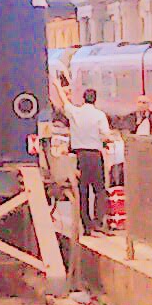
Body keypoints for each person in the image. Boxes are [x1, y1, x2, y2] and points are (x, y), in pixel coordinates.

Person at [67, 87, 112, 235]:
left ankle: (86, 225)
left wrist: (56, 85)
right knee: (99, 189)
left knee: (83, 191)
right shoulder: (99, 115)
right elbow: (106, 135)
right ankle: (98, 222)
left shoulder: (75, 112)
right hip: (95, 155)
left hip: (80, 157)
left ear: (83, 98)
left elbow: (64, 103)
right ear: (95, 99)